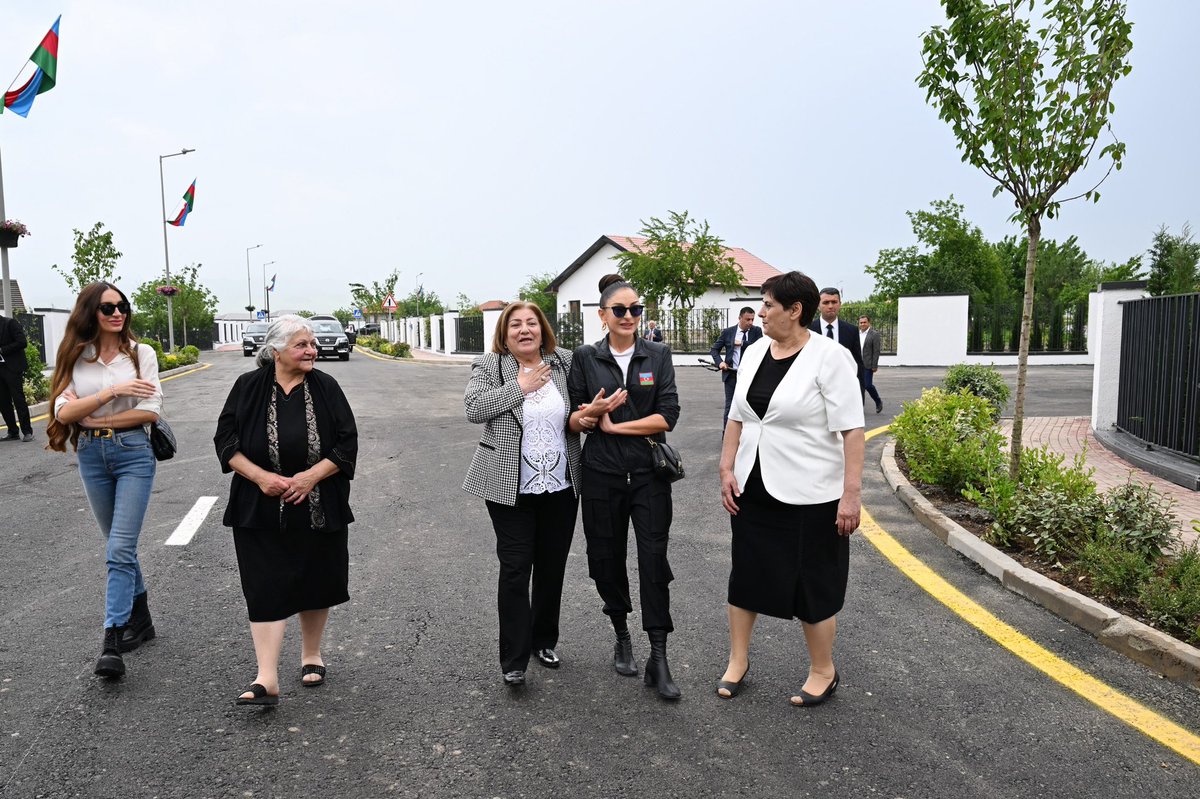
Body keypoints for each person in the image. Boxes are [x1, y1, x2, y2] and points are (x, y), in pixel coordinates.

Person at [717, 270, 864, 706]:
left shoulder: (830, 358)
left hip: (811, 494)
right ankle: (738, 661)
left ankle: (823, 669)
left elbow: (852, 431)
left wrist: (851, 495)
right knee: (746, 574)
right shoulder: (757, 349)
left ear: (795, 310)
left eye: (768, 305)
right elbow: (737, 416)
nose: (760, 313)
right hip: (753, 485)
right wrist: (726, 467)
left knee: (812, 582)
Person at [214, 315, 358, 706]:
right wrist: (261, 477)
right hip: (257, 505)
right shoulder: (247, 387)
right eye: (301, 344)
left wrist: (311, 477)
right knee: (263, 584)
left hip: (318, 502)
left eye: (312, 344)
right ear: (276, 350)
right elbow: (225, 442)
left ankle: (311, 654)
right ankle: (267, 676)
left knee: (315, 576)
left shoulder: (326, 387)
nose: (311, 350)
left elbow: (346, 443)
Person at [463, 302, 609, 687]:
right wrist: (519, 387)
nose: (524, 330)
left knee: (551, 567)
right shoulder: (490, 366)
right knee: (514, 569)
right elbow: (474, 409)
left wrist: (588, 412)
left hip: (561, 484)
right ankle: (514, 659)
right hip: (509, 486)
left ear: (543, 330)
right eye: (515, 325)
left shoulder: (564, 362)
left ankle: (544, 640)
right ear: (504, 333)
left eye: (531, 323)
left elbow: (577, 413)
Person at [568, 274, 683, 701]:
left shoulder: (658, 354)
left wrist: (614, 425)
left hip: (649, 475)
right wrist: (593, 413)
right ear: (603, 316)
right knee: (605, 557)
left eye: (636, 309)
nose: (630, 316)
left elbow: (667, 415)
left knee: (654, 560)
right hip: (601, 475)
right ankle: (621, 633)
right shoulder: (585, 357)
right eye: (620, 310)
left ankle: (659, 655)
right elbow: (577, 417)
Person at [46, 282, 162, 678]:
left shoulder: (140, 354)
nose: (118, 313)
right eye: (108, 307)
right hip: (92, 457)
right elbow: (63, 411)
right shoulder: (78, 356)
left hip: (133, 454)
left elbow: (150, 411)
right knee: (118, 546)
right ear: (90, 312)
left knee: (119, 549)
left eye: (123, 306)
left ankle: (112, 639)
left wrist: (96, 417)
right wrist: (113, 392)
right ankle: (142, 620)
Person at [709, 307, 763, 428]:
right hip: (731, 375)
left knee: (749, 406)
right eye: (747, 319)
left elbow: (760, 347)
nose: (750, 322)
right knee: (730, 406)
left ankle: (746, 434)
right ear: (739, 318)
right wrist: (720, 363)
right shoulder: (728, 332)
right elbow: (714, 349)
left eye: (752, 319)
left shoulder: (757, 331)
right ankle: (726, 436)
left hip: (750, 376)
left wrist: (742, 343)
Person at [808, 287, 864, 394]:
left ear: (840, 304)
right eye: (826, 302)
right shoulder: (808, 330)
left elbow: (858, 364)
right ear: (818, 306)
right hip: (814, 391)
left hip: (843, 389)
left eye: (834, 302)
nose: (830, 306)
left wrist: (860, 395)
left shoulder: (851, 330)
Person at [0, 313, 34, 442]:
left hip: (12, 368)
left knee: (18, 399)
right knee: (3, 402)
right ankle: (12, 431)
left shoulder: (10, 323)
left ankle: (27, 431)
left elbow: (22, 342)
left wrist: (2, 350)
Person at [858, 315, 883, 413]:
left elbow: (876, 351)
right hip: (857, 364)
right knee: (859, 387)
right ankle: (860, 408)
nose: (863, 324)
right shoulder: (856, 333)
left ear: (869, 323)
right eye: (861, 322)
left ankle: (878, 401)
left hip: (868, 365)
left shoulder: (874, 334)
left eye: (864, 322)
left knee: (868, 385)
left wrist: (874, 365)